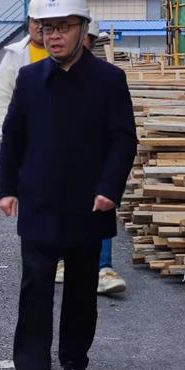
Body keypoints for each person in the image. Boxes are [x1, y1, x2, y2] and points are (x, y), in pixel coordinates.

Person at [0, 0, 137, 370]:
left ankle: (75, 363)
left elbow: (123, 140)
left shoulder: (109, 80)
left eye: (63, 27)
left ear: (83, 29)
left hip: (88, 203)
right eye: (47, 28)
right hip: (39, 201)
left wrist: (110, 189)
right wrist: (6, 188)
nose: (53, 36)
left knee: (80, 289)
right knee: (35, 288)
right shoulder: (29, 79)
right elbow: (13, 138)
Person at [54, 20, 128, 297]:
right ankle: (63, 259)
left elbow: (122, 133)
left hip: (97, 158)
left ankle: (103, 267)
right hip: (61, 160)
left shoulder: (107, 78)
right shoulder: (45, 75)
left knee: (101, 207)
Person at [0, 0, 47, 140]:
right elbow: (3, 96)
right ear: (28, 23)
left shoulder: (62, 55)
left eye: (45, 22)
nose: (40, 27)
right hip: (23, 135)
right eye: (36, 21)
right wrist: (2, 133)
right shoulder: (14, 55)